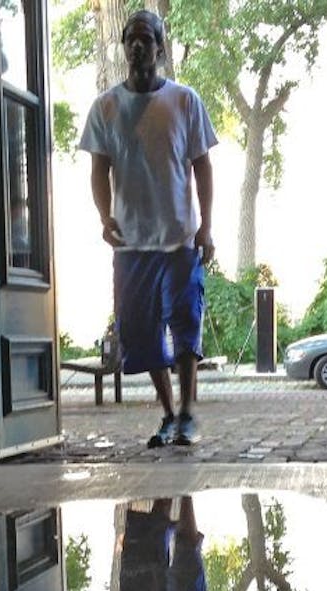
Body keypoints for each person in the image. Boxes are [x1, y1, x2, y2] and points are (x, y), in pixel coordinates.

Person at [78, 10, 217, 448]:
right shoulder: (105, 107)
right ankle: (168, 413)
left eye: (146, 39)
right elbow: (99, 171)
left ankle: (190, 414)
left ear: (160, 47)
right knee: (141, 333)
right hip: (132, 245)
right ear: (124, 49)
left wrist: (206, 228)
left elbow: (203, 167)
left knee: (185, 324)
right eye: (130, 40)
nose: (137, 46)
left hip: (179, 238)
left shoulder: (184, 101)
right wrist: (105, 217)